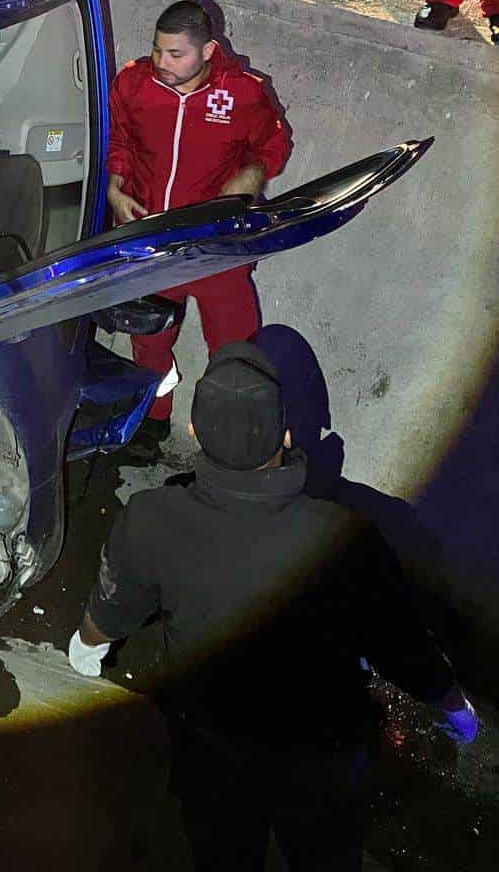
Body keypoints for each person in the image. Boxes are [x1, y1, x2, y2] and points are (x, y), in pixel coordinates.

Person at [68, 344, 479, 872]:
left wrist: (85, 649)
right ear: (286, 434)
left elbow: (105, 618)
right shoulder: (344, 538)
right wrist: (453, 707)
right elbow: (404, 649)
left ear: (193, 431)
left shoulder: (150, 518)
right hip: (321, 767)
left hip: (212, 759)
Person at [105, 0, 288, 461]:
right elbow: (119, 137)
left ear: (207, 51)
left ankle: (225, 447)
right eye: (157, 51)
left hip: (216, 248)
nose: (161, 64)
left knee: (234, 351)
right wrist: (114, 184)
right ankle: (152, 422)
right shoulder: (133, 83)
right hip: (152, 243)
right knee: (148, 345)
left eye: (175, 55)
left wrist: (250, 177)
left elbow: (273, 145)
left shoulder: (243, 92)